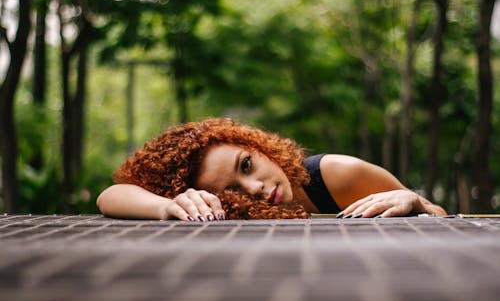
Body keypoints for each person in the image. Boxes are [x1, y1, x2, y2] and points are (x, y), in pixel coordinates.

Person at [97, 117, 446, 221]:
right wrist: (166, 205)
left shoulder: (339, 175)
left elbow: (442, 219)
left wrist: (414, 202)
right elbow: (110, 196)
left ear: (259, 146)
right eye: (230, 191)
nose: (254, 188)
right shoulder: (208, 210)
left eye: (246, 165)